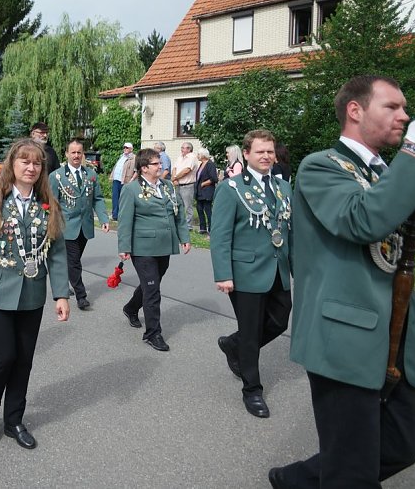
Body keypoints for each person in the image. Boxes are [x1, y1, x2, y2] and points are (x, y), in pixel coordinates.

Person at [268, 76, 415, 488]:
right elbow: (363, 220)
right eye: (392, 107)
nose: (405, 115)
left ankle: (296, 479)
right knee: (354, 472)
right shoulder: (320, 166)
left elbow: (399, 266)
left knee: (399, 449)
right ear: (355, 110)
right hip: (342, 340)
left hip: (391, 336)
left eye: (405, 109)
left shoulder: (384, 173)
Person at [0, 139, 69, 450]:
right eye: (25, 161)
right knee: (2, 356)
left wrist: (61, 295)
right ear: (13, 164)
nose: (31, 167)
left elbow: (58, 252)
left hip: (32, 294)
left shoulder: (48, 202)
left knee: (23, 360)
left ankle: (14, 420)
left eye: (37, 163)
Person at [210, 130, 292, 419]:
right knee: (251, 328)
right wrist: (223, 274)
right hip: (244, 272)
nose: (266, 156)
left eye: (270, 151)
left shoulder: (283, 188)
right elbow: (219, 235)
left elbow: (288, 231)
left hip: (278, 269)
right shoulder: (231, 188)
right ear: (246, 154)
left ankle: (234, 344)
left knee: (280, 320)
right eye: (260, 152)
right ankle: (252, 390)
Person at [118, 149, 190, 351]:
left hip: (165, 246)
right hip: (143, 248)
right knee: (152, 290)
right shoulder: (131, 190)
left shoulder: (167, 187)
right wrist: (124, 246)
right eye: (156, 164)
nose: (161, 166)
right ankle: (153, 333)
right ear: (144, 168)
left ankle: (131, 308)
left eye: (160, 163)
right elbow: (125, 221)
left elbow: (179, 214)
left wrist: (184, 237)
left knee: (152, 284)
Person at [49, 138, 110, 310]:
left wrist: (104, 219)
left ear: (83, 154)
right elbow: (51, 203)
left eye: (79, 152)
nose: (76, 155)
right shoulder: (57, 176)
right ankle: (81, 295)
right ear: (67, 154)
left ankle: (66, 282)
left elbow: (97, 199)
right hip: (67, 226)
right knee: (74, 261)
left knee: (73, 261)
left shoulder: (90, 174)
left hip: (85, 226)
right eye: (73, 152)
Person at [171, 141, 198, 231]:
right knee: (178, 205)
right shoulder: (180, 157)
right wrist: (175, 179)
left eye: (184, 148)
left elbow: (187, 170)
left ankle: (188, 226)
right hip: (178, 184)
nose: (182, 149)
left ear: (189, 149)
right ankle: (180, 223)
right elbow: (174, 168)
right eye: (181, 148)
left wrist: (175, 178)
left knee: (188, 206)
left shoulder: (192, 157)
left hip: (187, 185)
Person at [193, 147, 218, 234]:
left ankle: (211, 228)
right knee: (199, 209)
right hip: (200, 191)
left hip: (207, 191)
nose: (197, 156)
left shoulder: (210, 164)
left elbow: (214, 178)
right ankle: (202, 228)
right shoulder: (201, 165)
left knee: (208, 210)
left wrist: (203, 184)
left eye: (198, 154)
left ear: (203, 155)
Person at [109, 142, 135, 220]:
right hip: (116, 179)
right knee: (115, 198)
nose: (125, 149)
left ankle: (122, 215)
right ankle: (115, 215)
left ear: (131, 149)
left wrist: (132, 180)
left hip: (125, 181)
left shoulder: (134, 158)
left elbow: (137, 171)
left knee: (123, 199)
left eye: (127, 148)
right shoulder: (122, 156)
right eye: (124, 147)